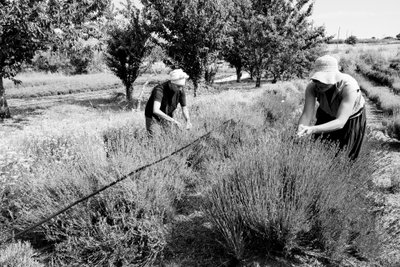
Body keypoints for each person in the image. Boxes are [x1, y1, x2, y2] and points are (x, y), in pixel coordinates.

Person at [297, 55, 366, 160]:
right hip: (326, 113)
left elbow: (340, 122)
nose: (319, 84)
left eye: (324, 82)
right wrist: (300, 131)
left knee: (344, 157)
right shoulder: (312, 87)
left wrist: (312, 129)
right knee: (319, 151)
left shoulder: (348, 86)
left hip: (350, 119)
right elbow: (306, 114)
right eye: (317, 81)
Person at [144, 69, 192, 136]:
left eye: (182, 86)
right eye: (178, 86)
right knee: (155, 137)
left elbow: (184, 107)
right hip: (153, 117)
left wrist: (188, 121)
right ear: (171, 83)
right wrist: (173, 121)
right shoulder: (159, 90)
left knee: (168, 136)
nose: (180, 89)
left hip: (167, 115)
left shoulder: (180, 90)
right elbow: (156, 110)